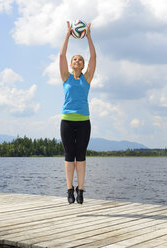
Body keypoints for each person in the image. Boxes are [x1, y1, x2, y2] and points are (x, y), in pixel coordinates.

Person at [59, 21, 96, 204]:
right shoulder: (65, 77)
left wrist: (88, 36)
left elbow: (94, 57)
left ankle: (80, 190)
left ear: (83, 65)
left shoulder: (87, 78)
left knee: (80, 155)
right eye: (75, 59)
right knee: (69, 155)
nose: (77, 61)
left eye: (80, 60)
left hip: (83, 121)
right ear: (71, 64)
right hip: (67, 121)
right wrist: (67, 35)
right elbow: (61, 55)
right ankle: (68, 190)